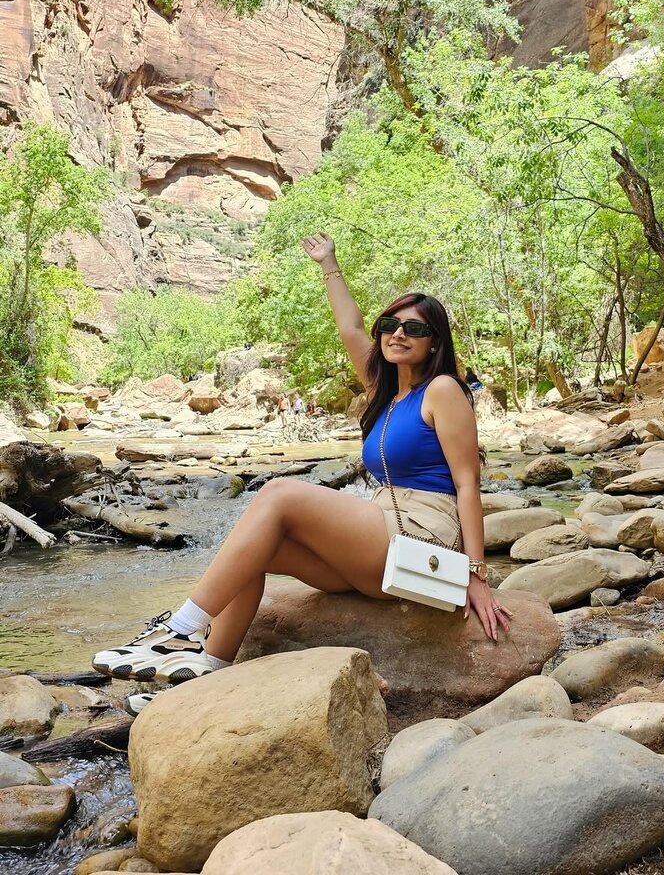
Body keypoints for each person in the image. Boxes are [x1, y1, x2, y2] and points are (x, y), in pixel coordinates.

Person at [91, 231, 512, 715]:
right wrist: (328, 263)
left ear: (434, 342)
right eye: (390, 324)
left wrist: (475, 574)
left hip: (422, 536)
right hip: (382, 544)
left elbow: (466, 484)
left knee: (280, 493)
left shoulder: (442, 390)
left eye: (413, 329)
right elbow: (350, 327)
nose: (398, 334)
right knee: (255, 549)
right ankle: (206, 672)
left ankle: (178, 631)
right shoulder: (384, 390)